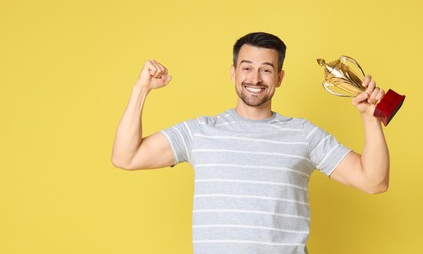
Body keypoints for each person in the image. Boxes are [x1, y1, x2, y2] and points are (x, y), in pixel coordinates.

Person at [111, 32, 389, 254]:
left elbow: (373, 181)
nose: (255, 79)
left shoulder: (304, 134)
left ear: (279, 78)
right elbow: (126, 157)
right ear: (233, 73)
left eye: (266, 70)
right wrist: (141, 89)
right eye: (247, 68)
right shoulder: (199, 132)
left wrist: (370, 117)